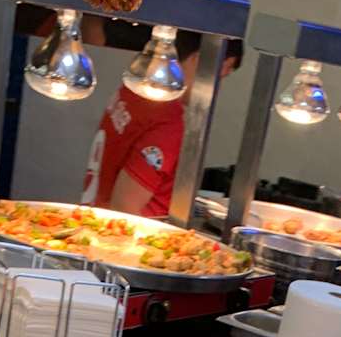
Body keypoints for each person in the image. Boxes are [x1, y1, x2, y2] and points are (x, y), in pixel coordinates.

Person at [82, 30, 242, 219]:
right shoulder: (168, 123)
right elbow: (125, 207)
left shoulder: (132, 91)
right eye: (220, 76)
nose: (216, 89)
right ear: (199, 60)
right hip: (136, 229)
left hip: (95, 215)